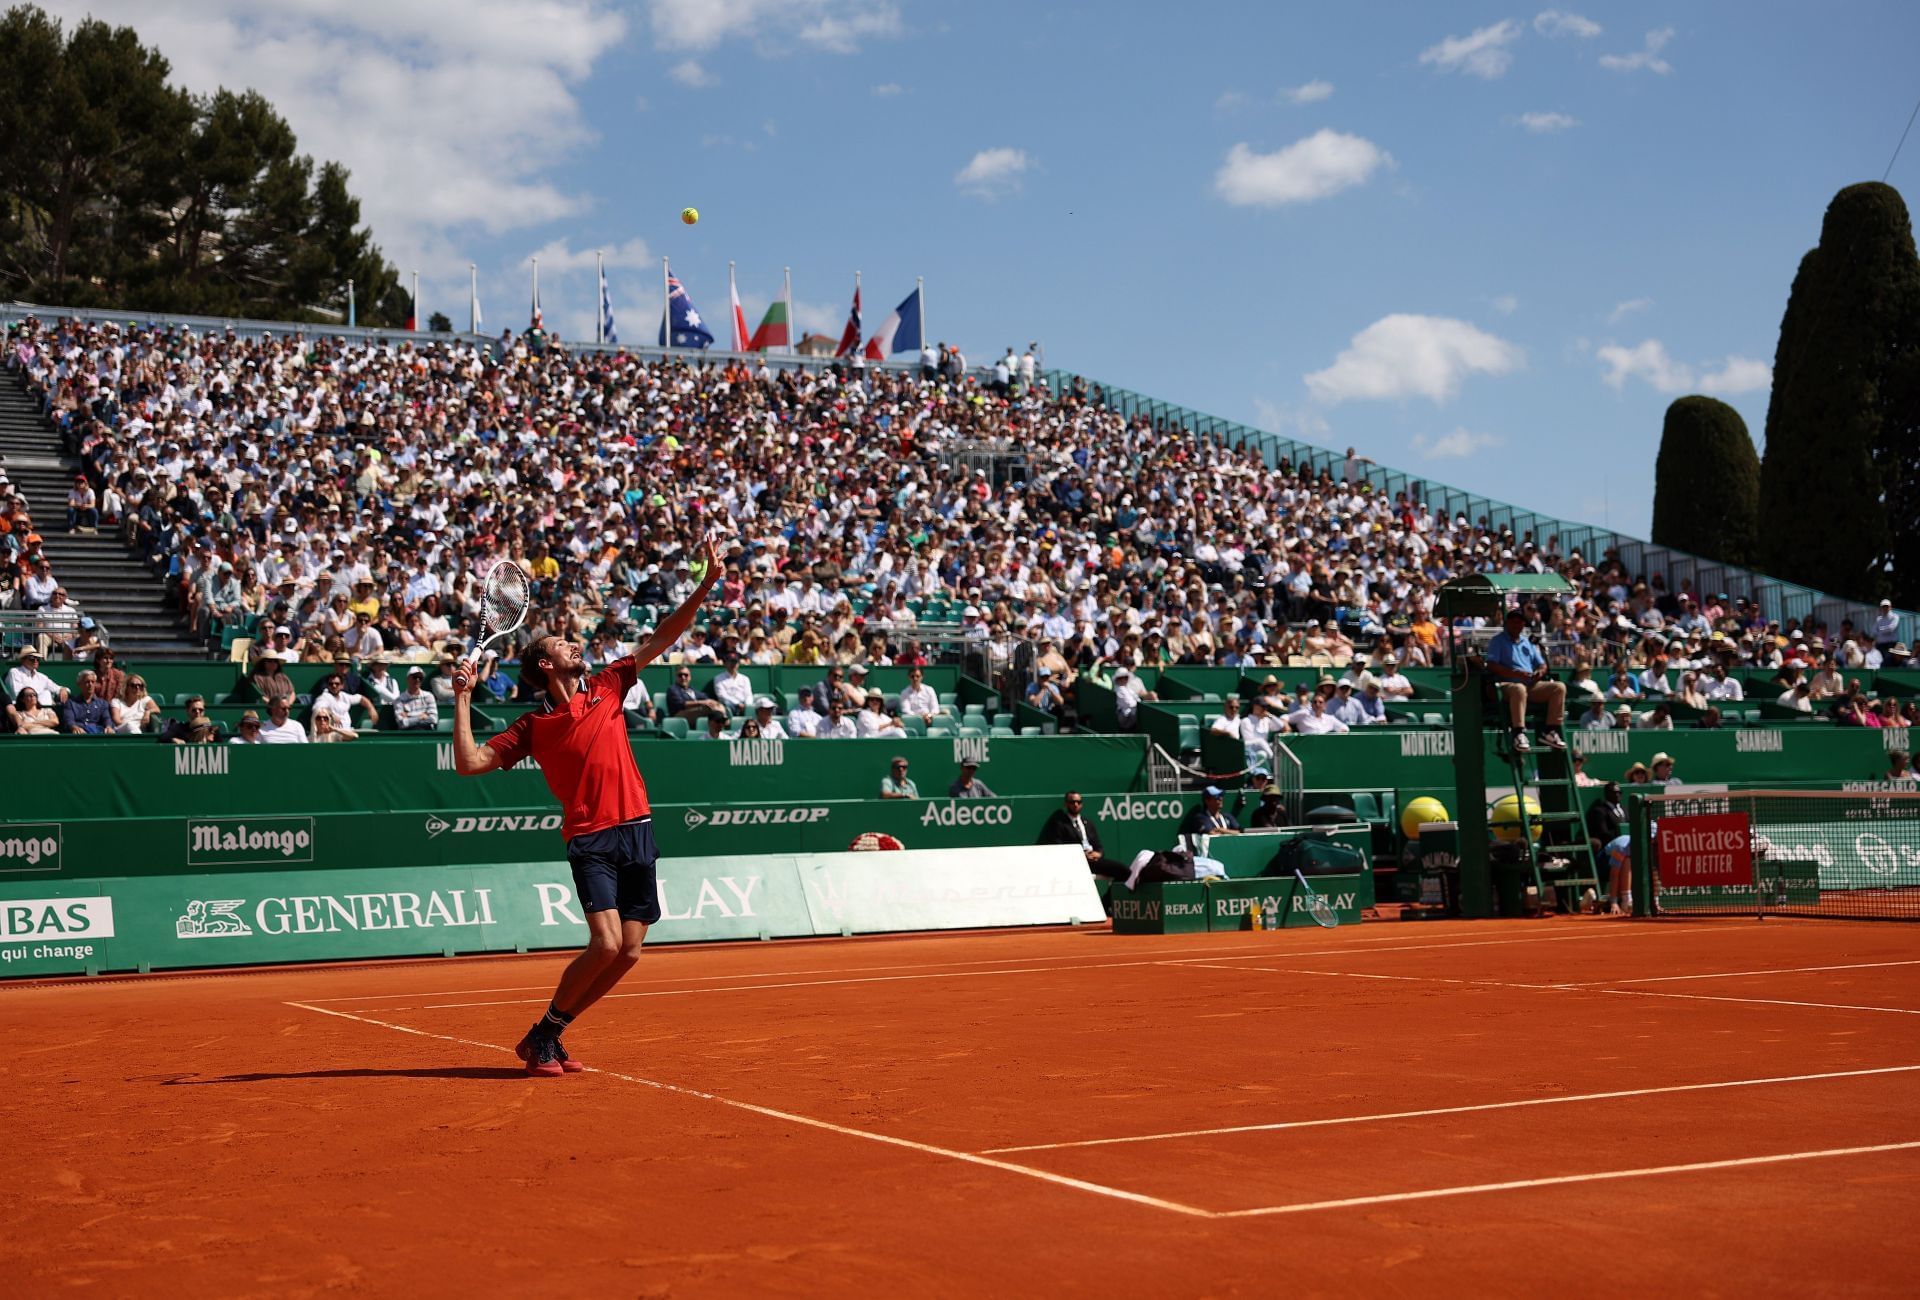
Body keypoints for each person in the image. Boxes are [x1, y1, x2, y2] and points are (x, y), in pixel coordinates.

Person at [448, 532, 719, 1078]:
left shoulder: (609, 685)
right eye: (560, 645)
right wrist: (462, 698)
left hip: (637, 827)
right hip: (591, 837)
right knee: (605, 943)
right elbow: (469, 764)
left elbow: (665, 634)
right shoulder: (534, 726)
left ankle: (548, 1033)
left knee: (631, 952)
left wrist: (705, 585)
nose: (573, 645)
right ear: (545, 666)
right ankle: (545, 1033)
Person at [1485, 607, 1565, 752]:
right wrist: (1514, 674)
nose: (1517, 625)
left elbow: (1541, 664)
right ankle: (1518, 733)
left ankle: (1550, 731)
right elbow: (1491, 665)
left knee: (1558, 687)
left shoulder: (1527, 642)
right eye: (1514, 622)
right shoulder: (1498, 641)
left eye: (1520, 622)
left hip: (1529, 683)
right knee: (1519, 689)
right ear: (1507, 623)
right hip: (1506, 684)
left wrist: (1540, 671)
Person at [1038, 790, 1116, 879]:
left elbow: (1099, 846)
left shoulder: (1088, 823)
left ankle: (1110, 893)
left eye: (1078, 802)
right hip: (1076, 862)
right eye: (1072, 802)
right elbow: (1059, 847)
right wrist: (1082, 855)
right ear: (1066, 804)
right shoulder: (1060, 824)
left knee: (1123, 871)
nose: (1076, 805)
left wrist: (1097, 854)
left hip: (1094, 861)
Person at [58, 670, 111, 734]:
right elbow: (68, 720)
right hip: (78, 735)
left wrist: (108, 727)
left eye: (93, 682)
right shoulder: (71, 703)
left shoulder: (102, 703)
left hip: (96, 734)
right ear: (80, 684)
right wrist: (74, 727)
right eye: (87, 682)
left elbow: (106, 718)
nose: (90, 684)